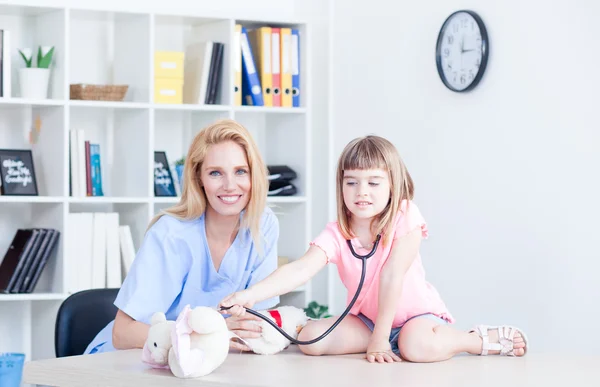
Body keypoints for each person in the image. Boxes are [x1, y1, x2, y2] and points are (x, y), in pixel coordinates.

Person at [219, 135, 529, 363]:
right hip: (368, 321)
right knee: (310, 339)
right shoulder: (339, 231)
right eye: (351, 182)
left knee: (416, 346)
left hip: (415, 318)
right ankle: (391, 341)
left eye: (374, 183)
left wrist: (381, 340)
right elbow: (301, 268)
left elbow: (393, 275)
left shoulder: (405, 216)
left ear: (393, 185)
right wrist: (247, 297)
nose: (361, 192)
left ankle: (473, 339)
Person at [85, 119, 280, 354]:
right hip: (133, 357)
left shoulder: (262, 224)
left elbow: (256, 322)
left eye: (240, 171)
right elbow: (122, 333)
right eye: (216, 173)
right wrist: (207, 336)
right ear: (199, 178)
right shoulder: (171, 233)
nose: (230, 185)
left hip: (202, 361)